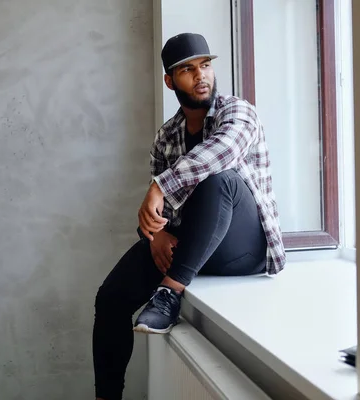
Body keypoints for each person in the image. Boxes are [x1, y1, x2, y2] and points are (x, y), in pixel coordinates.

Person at [92, 33, 285, 400]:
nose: (201, 76)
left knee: (219, 180)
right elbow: (157, 210)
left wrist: (160, 187)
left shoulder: (237, 112)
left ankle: (170, 292)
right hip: (191, 244)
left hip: (242, 249)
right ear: (170, 81)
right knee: (110, 297)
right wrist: (155, 235)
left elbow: (220, 153)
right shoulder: (167, 136)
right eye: (187, 70)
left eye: (206, 66)